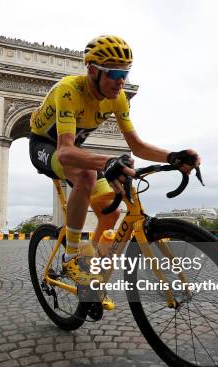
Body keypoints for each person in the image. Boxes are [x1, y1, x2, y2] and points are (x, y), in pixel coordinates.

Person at [28, 35, 200, 309]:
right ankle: (72, 257)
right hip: (45, 146)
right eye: (116, 73)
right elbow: (65, 151)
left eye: (126, 73)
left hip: (73, 148)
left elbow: (137, 146)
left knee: (111, 210)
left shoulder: (118, 98)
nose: (122, 81)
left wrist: (173, 156)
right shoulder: (68, 90)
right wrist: (107, 161)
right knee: (85, 175)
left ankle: (90, 274)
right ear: (93, 71)